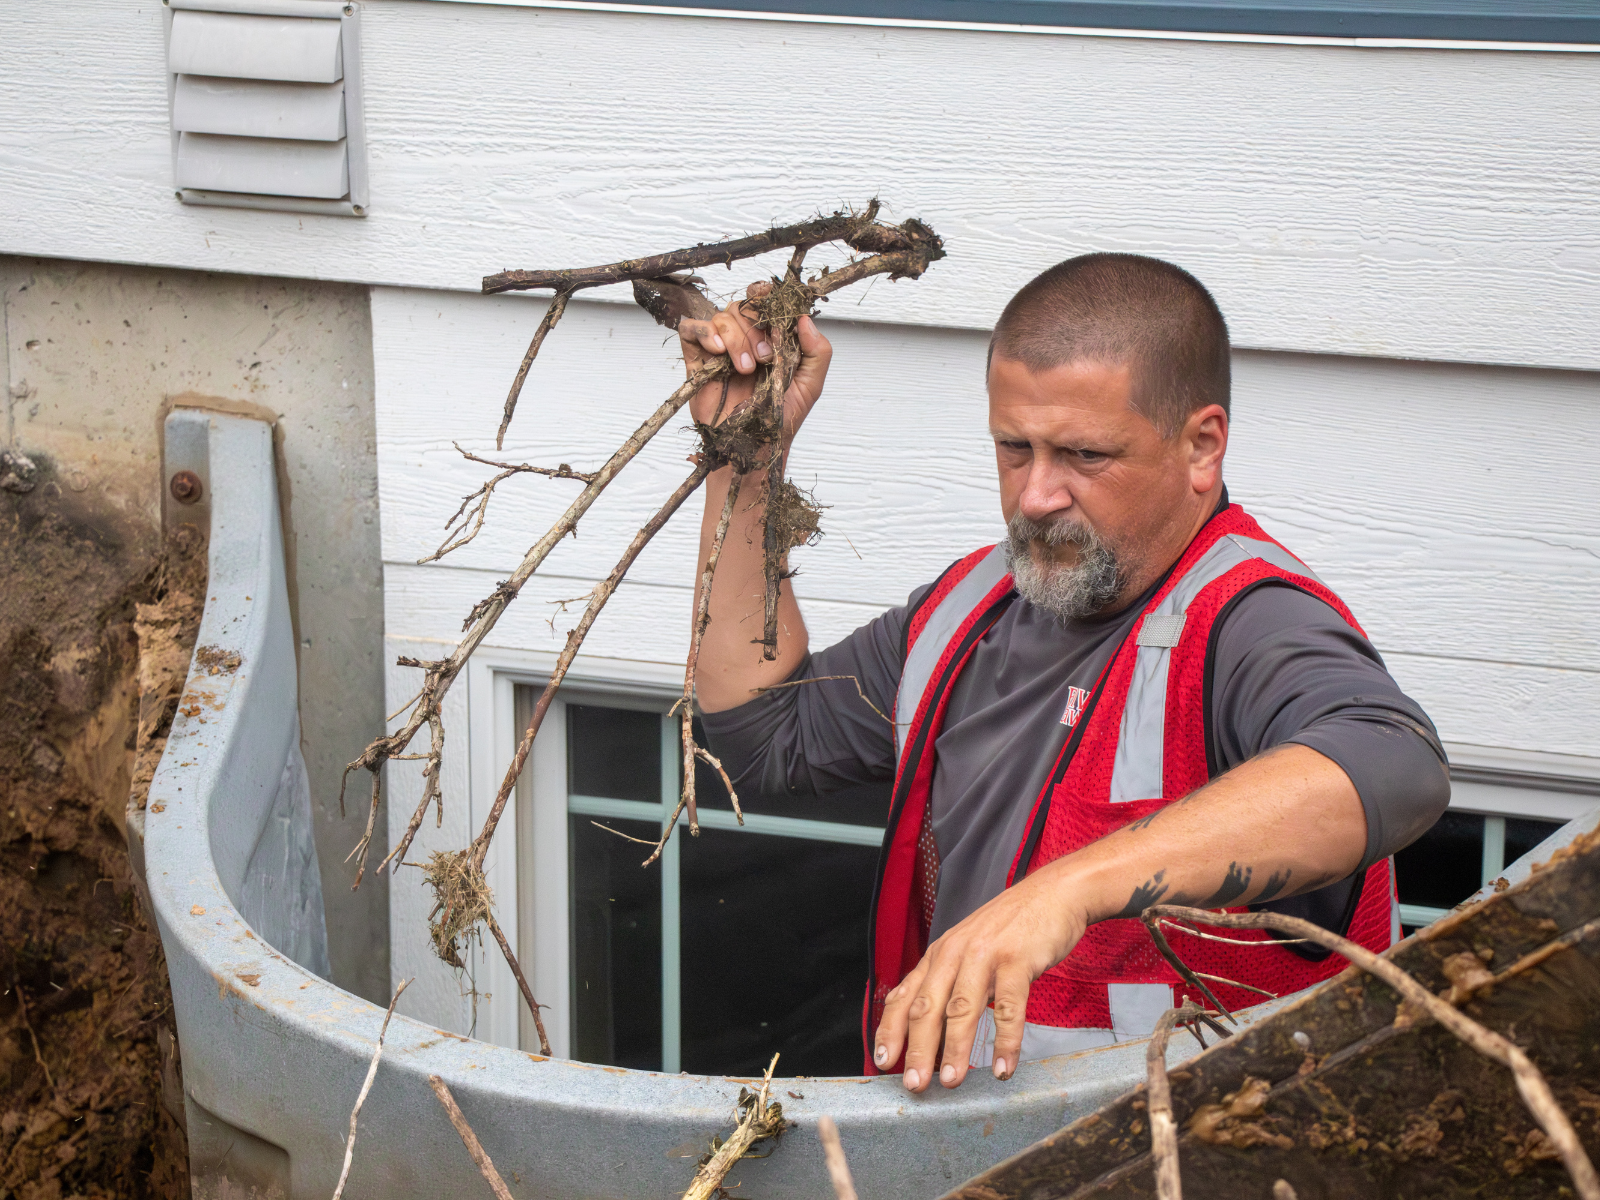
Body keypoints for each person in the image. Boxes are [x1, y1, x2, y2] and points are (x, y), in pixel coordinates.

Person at [676, 253, 1449, 1093]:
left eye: (1084, 454)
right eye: (1015, 448)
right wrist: (743, 459)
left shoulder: (1249, 618)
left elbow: (1394, 764)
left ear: (1202, 446)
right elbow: (761, 734)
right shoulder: (971, 607)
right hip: (975, 1156)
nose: (1037, 495)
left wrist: (1070, 890)